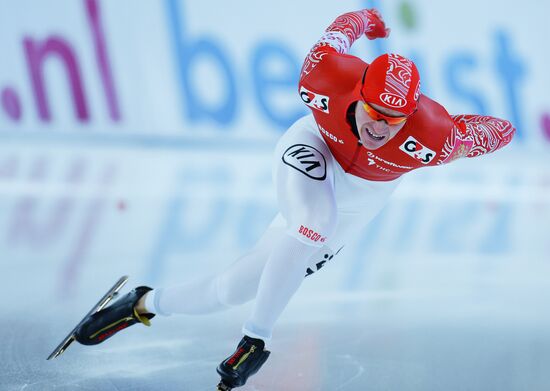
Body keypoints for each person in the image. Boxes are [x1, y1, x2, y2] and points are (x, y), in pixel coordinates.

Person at [72, 8, 515, 390]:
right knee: (313, 222)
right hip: (313, 146)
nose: (379, 129)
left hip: (364, 196)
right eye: (374, 114)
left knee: (231, 289)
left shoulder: (433, 137)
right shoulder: (321, 76)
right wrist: (370, 19)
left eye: (394, 121)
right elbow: (341, 28)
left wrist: (486, 130)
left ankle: (141, 304)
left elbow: (499, 131)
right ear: (357, 94)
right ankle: (256, 340)